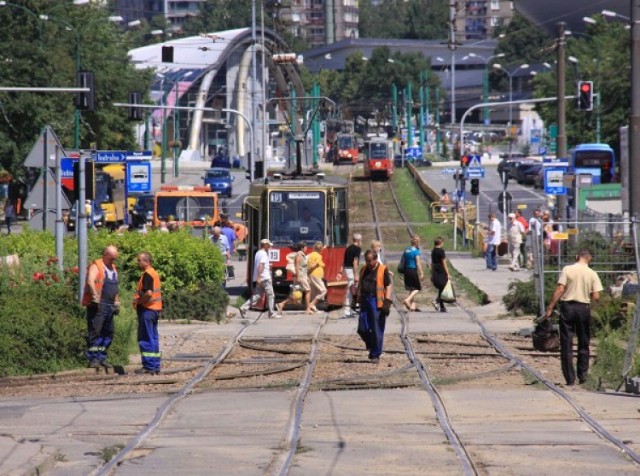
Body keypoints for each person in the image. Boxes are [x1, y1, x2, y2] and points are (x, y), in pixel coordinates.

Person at [545, 249, 603, 386]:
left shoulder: (567, 269)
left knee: (566, 343)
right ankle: (583, 375)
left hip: (568, 308)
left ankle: (570, 378)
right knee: (584, 342)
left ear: (576, 257)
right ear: (589, 259)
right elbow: (596, 296)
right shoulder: (592, 273)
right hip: (583, 309)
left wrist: (550, 307)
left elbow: (560, 289)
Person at [82, 245, 120, 371]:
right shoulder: (96, 266)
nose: (113, 261)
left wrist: (117, 301)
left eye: (114, 259)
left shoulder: (113, 268)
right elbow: (90, 281)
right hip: (98, 305)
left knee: (108, 333)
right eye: (112, 258)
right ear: (106, 255)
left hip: (109, 306)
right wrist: (94, 295)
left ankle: (101, 357)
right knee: (95, 332)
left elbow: (115, 287)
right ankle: (93, 359)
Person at [356, 249, 392, 364]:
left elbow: (388, 285)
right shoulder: (364, 269)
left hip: (377, 302)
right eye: (366, 260)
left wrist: (387, 301)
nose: (368, 263)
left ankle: (375, 353)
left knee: (377, 329)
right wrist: (356, 298)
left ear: (375, 259)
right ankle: (371, 345)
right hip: (365, 301)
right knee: (362, 327)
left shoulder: (382, 269)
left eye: (370, 261)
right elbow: (360, 285)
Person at [132, 252, 163, 375]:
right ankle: (155, 366)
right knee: (153, 338)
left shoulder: (148, 274)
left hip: (147, 310)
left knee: (146, 338)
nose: (137, 262)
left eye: (139, 260)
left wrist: (138, 301)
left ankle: (149, 366)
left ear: (147, 262)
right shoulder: (154, 273)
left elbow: (149, 293)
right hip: (155, 310)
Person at [240, 239, 278, 319]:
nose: (270, 246)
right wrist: (259, 277)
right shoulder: (264, 254)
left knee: (257, 295)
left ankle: (244, 307)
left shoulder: (258, 253)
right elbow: (261, 265)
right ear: (265, 245)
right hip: (264, 278)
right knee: (271, 295)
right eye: (268, 245)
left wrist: (257, 277)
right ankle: (271, 313)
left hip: (260, 278)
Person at [276, 242, 311, 314]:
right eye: (305, 247)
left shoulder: (302, 255)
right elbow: (297, 266)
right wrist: (298, 277)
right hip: (300, 276)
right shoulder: (299, 255)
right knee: (308, 290)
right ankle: (308, 309)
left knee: (296, 294)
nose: (307, 248)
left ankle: (281, 304)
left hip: (301, 276)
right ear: (302, 248)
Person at [338, 233, 362, 318]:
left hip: (346, 270)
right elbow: (355, 262)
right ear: (358, 241)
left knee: (352, 290)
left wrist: (340, 272)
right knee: (351, 290)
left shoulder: (348, 248)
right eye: (361, 240)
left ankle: (352, 309)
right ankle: (347, 311)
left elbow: (343, 261)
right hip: (351, 270)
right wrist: (356, 274)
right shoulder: (357, 249)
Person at [401, 235, 424, 312]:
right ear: (417, 242)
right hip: (412, 270)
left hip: (406, 270)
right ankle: (407, 300)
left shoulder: (406, 250)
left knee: (411, 288)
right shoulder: (416, 251)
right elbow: (418, 263)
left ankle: (412, 305)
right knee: (417, 288)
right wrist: (421, 272)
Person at [430, 237, 450, 312]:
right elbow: (444, 262)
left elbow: (432, 263)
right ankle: (436, 301)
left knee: (441, 288)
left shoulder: (433, 251)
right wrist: (448, 273)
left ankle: (442, 307)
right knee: (443, 287)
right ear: (441, 243)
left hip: (435, 271)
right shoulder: (441, 251)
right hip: (441, 271)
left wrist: (432, 274)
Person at [307, 241, 327, 313]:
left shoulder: (311, 255)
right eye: (322, 249)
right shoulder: (318, 256)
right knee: (323, 291)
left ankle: (314, 309)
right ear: (319, 249)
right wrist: (309, 271)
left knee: (314, 292)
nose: (322, 251)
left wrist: (308, 273)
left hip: (311, 275)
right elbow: (313, 265)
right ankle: (312, 304)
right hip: (316, 275)